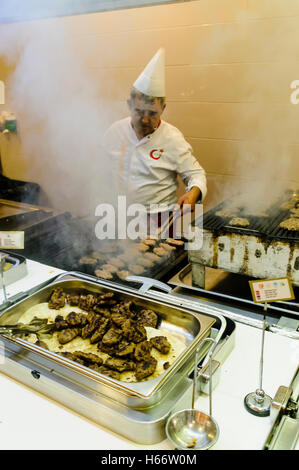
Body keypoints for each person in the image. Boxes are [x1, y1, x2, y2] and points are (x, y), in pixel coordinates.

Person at [102, 48, 207, 235]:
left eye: (152, 114)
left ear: (163, 108)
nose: (144, 119)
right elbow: (98, 172)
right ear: (129, 105)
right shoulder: (114, 132)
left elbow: (196, 175)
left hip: (160, 222)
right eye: (139, 112)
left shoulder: (172, 138)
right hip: (117, 218)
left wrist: (192, 194)